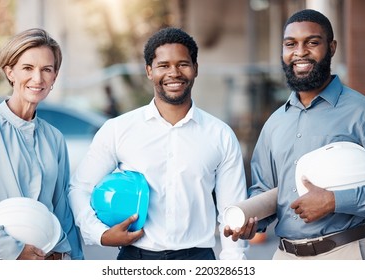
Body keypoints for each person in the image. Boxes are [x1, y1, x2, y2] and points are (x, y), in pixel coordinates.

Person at [68, 27, 249, 260]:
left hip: (198, 259)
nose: (173, 72)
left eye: (183, 64)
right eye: (163, 65)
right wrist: (100, 234)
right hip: (135, 260)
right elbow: (79, 188)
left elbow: (231, 212)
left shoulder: (220, 135)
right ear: (149, 71)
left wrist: (233, 265)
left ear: (195, 69)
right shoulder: (118, 129)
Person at [224, 9, 365, 260]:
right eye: (290, 44)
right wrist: (250, 221)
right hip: (285, 258)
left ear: (332, 47)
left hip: (346, 254)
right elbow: (265, 190)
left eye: (312, 42)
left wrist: (334, 201)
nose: (300, 52)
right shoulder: (274, 124)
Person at [0, 28, 84, 260]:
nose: (38, 78)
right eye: (28, 68)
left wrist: (71, 259)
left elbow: (62, 210)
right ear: (10, 72)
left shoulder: (54, 138)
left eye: (46, 70)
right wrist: (14, 250)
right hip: (0, 262)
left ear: (55, 76)